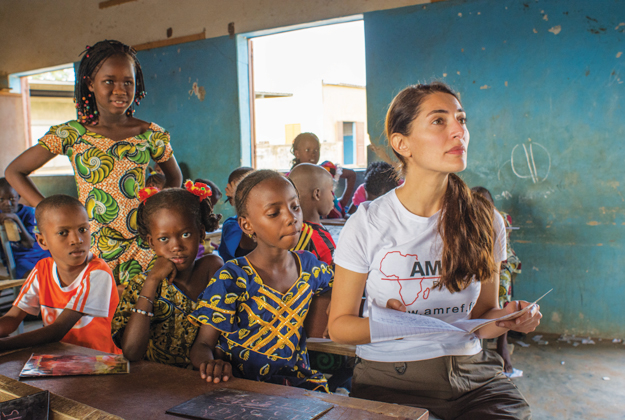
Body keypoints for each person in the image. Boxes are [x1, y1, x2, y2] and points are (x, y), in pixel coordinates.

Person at [327, 83, 541, 419]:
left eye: (462, 119)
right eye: (439, 121)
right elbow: (339, 327)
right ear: (402, 143)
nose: (459, 131)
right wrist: (396, 324)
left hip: (474, 379)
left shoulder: (486, 220)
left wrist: (511, 318)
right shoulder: (369, 222)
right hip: (392, 381)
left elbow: (482, 320)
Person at [5, 40, 183, 288]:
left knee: (146, 314)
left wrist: (155, 208)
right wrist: (49, 210)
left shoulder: (150, 134)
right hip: (93, 247)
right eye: (109, 81)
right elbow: (15, 171)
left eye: (128, 82)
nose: (120, 90)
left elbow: (175, 179)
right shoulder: (72, 134)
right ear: (90, 84)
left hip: (143, 244)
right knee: (101, 317)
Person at [189, 170, 333, 391]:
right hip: (241, 385)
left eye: (295, 207)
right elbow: (203, 344)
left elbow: (345, 284)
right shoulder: (234, 277)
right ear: (247, 226)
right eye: (274, 213)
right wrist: (211, 364)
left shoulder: (310, 267)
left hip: (295, 385)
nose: (291, 218)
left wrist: (339, 299)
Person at [111, 182, 223, 368]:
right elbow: (131, 351)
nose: (176, 246)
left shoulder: (212, 269)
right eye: (164, 239)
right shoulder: (141, 284)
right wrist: (152, 280)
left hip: (205, 374)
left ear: (201, 233)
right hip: (156, 382)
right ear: (151, 241)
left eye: (186, 234)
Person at [0, 195, 120, 354]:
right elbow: (13, 318)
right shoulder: (42, 270)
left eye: (83, 230)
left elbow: (57, 330)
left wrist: (4, 345)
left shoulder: (98, 273)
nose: (77, 240)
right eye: (63, 232)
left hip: (99, 362)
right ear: (42, 241)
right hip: (57, 359)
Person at [472, 186, 523, 378]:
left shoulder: (500, 218)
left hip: (501, 262)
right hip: (477, 259)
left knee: (502, 285)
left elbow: (500, 256)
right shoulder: (465, 216)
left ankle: (503, 345)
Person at [290, 133, 356, 218]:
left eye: (316, 150)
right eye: (307, 150)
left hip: (334, 218)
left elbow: (352, 175)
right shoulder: (292, 178)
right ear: (297, 153)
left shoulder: (326, 169)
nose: (313, 154)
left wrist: (343, 202)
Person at [0, 178, 50, 278]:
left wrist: (16, 219)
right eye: (1, 200)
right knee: (34, 277)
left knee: (53, 272)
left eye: (12, 199)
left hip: (40, 254)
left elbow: (29, 244)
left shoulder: (30, 213)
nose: (7, 204)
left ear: (19, 197)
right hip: (18, 260)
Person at [288, 163, 337, 266]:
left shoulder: (286, 230)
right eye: (331, 191)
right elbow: (334, 276)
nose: (333, 197)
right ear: (317, 194)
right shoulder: (319, 238)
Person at [218, 167, 255, 262]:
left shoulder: (266, 221)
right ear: (232, 200)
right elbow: (245, 252)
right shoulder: (231, 225)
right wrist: (241, 202)